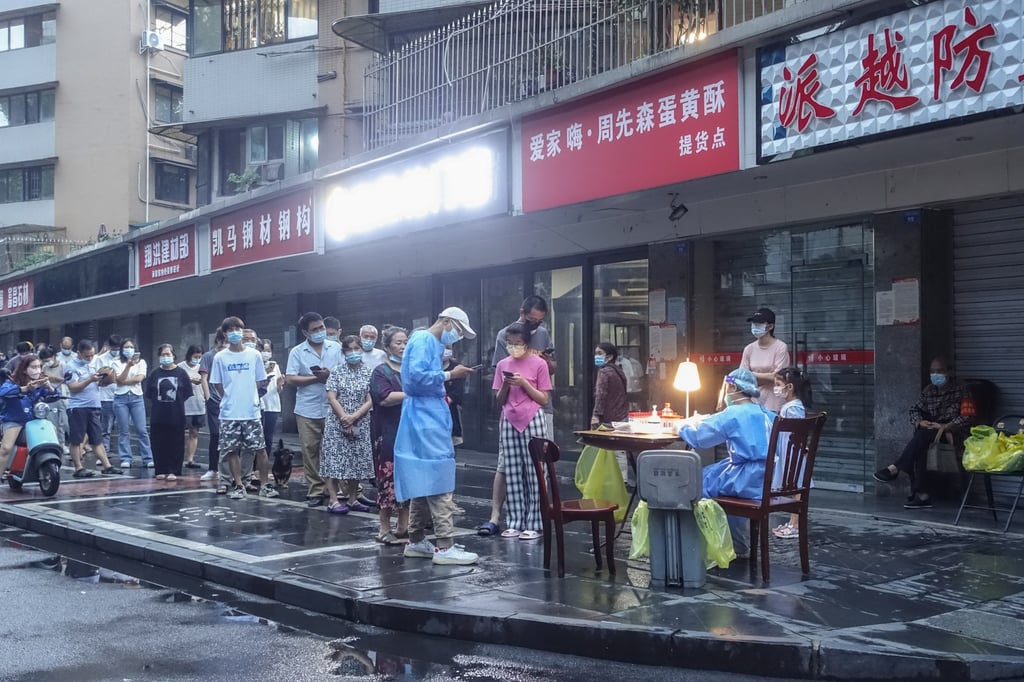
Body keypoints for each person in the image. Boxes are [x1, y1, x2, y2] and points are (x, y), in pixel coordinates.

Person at [396, 307, 479, 565]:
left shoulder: (427, 342)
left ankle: (416, 539)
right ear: (446, 321)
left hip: (424, 414)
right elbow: (417, 377)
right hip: (426, 416)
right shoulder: (424, 340)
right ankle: (444, 545)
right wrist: (450, 375)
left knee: (423, 478)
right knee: (439, 476)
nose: (457, 336)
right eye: (458, 330)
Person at [678, 367, 775, 558]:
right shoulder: (768, 413)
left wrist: (682, 425)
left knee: (697, 480)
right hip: (769, 478)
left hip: (745, 478)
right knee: (713, 475)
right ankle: (735, 542)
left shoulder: (733, 414)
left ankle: (702, 543)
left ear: (731, 387)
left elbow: (699, 438)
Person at [482, 296, 555, 537]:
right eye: (510, 343)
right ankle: (513, 520)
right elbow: (498, 397)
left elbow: (544, 395)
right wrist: (506, 383)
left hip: (534, 415)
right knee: (511, 469)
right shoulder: (503, 360)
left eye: (518, 343)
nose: (514, 346)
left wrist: (525, 381)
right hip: (510, 417)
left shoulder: (539, 358)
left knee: (536, 470)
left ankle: (535, 522)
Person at [873, 357, 970, 510]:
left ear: (949, 372)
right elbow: (914, 409)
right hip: (931, 435)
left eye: (940, 371)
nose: (936, 374)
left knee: (923, 437)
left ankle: (896, 469)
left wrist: (945, 426)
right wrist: (919, 421)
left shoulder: (962, 390)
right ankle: (923, 496)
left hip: (953, 435)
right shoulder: (929, 391)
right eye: (933, 371)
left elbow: (967, 416)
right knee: (922, 442)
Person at [209, 316, 278, 500]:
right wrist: (231, 397)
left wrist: (248, 395)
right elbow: (217, 384)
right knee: (232, 450)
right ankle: (238, 485)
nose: (234, 333)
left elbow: (259, 380)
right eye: (230, 330)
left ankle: (265, 485)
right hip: (229, 412)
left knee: (260, 448)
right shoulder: (220, 357)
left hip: (251, 411)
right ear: (224, 334)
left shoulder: (254, 355)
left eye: (237, 329)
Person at [286, 312, 343, 507]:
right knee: (310, 450)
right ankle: (316, 490)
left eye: (321, 328)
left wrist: (329, 376)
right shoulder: (297, 352)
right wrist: (315, 378)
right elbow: (291, 379)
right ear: (305, 333)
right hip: (307, 407)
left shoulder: (336, 348)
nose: (320, 332)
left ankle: (337, 489)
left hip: (333, 406)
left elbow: (346, 372)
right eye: (315, 330)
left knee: (334, 450)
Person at [321, 335, 374, 514]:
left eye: (356, 349)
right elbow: (331, 397)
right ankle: (333, 500)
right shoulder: (336, 371)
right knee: (334, 461)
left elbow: (370, 399)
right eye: (349, 349)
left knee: (356, 461)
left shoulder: (368, 372)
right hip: (337, 422)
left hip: (360, 421)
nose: (353, 352)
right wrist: (344, 417)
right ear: (344, 352)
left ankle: (353, 498)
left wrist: (355, 417)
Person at [369, 326, 410, 544]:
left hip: (411, 431)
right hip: (388, 432)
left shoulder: (412, 369)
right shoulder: (381, 371)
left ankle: (403, 525)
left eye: (405, 342)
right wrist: (412, 394)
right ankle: (384, 527)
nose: (402, 346)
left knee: (407, 478)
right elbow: (383, 397)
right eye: (398, 343)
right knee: (388, 478)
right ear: (387, 346)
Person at [64, 340, 122, 478]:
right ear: (79, 353)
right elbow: (73, 387)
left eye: (91, 355)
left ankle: (107, 466)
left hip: (93, 405)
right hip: (78, 407)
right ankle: (78, 467)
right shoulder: (71, 367)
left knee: (97, 438)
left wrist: (105, 381)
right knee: (76, 439)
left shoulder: (93, 364)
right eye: (87, 356)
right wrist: (90, 380)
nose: (90, 358)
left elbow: (97, 384)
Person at [770, 367, 811, 540]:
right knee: (796, 488)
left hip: (792, 452)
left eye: (778, 384)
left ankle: (795, 524)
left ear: (790, 387)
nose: (776, 388)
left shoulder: (792, 408)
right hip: (791, 452)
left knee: (797, 488)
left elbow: (797, 431)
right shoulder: (791, 406)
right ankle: (793, 522)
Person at [0, 355, 59, 473]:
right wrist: (24, 389)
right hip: (14, 419)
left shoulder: (40, 383)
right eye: (33, 367)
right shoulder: (12, 382)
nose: (37, 370)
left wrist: (49, 387)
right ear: (24, 369)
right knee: (6, 449)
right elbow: (3, 392)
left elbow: (55, 395)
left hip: (34, 420)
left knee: (50, 438)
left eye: (39, 367)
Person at [145, 344, 193, 481]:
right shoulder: (154, 374)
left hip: (176, 415)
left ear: (173, 356)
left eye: (168, 354)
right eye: (163, 355)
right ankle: (160, 469)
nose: (166, 357)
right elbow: (149, 393)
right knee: (158, 443)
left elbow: (186, 393)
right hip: (158, 415)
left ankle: (174, 470)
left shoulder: (181, 374)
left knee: (176, 444)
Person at [110, 338, 154, 468]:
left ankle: (147, 458)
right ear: (122, 349)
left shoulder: (141, 362)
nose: (129, 349)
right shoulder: (116, 362)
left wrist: (126, 380)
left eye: (131, 347)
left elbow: (140, 378)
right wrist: (128, 367)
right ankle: (125, 458)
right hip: (120, 398)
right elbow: (118, 380)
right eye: (126, 347)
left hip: (136, 397)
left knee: (141, 430)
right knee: (123, 430)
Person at [740, 308, 790, 412]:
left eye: (759, 323)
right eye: (753, 323)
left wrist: (752, 375)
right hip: (753, 403)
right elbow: (742, 376)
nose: (754, 326)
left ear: (770, 326)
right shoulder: (749, 349)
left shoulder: (780, 347)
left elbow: (778, 376)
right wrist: (768, 376)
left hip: (774, 404)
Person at [198, 331, 226, 483]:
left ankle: (227, 469)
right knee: (215, 435)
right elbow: (204, 378)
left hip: (231, 401)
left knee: (230, 437)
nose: (223, 344)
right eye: (221, 340)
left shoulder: (232, 355)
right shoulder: (209, 356)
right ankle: (213, 469)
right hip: (215, 401)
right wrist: (208, 397)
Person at [591, 342, 628, 428]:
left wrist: (595, 415)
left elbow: (600, 394)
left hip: (609, 419)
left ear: (609, 357)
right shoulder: (618, 371)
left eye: (600, 353)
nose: (596, 356)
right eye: (595, 354)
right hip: (622, 417)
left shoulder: (604, 372)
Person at [38, 347, 70, 449]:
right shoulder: (44, 368)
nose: (47, 363)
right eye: (44, 361)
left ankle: (65, 443)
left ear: (54, 357)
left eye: (48, 360)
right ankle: (58, 444)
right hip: (50, 397)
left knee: (65, 422)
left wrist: (53, 378)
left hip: (62, 396)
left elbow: (68, 381)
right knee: (53, 423)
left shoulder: (63, 365)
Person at [182, 345, 206, 469]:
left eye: (199, 357)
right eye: (195, 356)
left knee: (195, 432)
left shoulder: (202, 368)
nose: (197, 359)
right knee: (180, 432)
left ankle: (190, 459)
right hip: (185, 405)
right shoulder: (181, 367)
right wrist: (190, 380)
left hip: (199, 403)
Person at [259, 339, 285, 454]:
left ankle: (263, 467)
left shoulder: (275, 366)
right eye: (263, 350)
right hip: (259, 405)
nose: (266, 353)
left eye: (268, 351)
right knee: (256, 438)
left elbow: (278, 389)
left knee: (268, 437)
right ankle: (253, 467)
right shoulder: (255, 365)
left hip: (273, 405)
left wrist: (280, 385)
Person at [97, 335, 122, 453]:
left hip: (121, 394)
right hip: (106, 397)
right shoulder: (101, 358)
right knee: (106, 426)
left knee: (123, 426)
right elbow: (98, 377)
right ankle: (105, 451)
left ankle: (123, 452)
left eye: (118, 349)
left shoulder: (124, 358)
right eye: (114, 349)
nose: (116, 352)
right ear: (109, 347)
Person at [441, 345, 465, 447]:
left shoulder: (457, 367)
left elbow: (456, 393)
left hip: (450, 412)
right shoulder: (427, 367)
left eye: (448, 347)